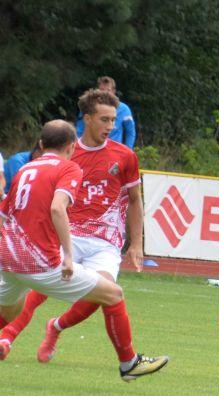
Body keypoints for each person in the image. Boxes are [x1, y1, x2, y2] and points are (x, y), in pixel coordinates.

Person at [2, 89, 167, 381]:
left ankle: (56, 327)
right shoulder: (68, 157)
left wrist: (136, 243)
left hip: (105, 241)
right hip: (69, 233)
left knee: (101, 291)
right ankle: (8, 338)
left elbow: (134, 200)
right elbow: (54, 207)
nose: (110, 126)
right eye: (104, 119)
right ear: (87, 119)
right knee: (42, 286)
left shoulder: (125, 156)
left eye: (113, 120)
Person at [76, 76, 136, 149]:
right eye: (102, 90)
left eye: (108, 90)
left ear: (113, 91)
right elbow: (80, 129)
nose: (104, 93)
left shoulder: (124, 109)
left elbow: (130, 132)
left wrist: (128, 149)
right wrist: (78, 148)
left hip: (114, 150)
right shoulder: (89, 106)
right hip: (91, 149)